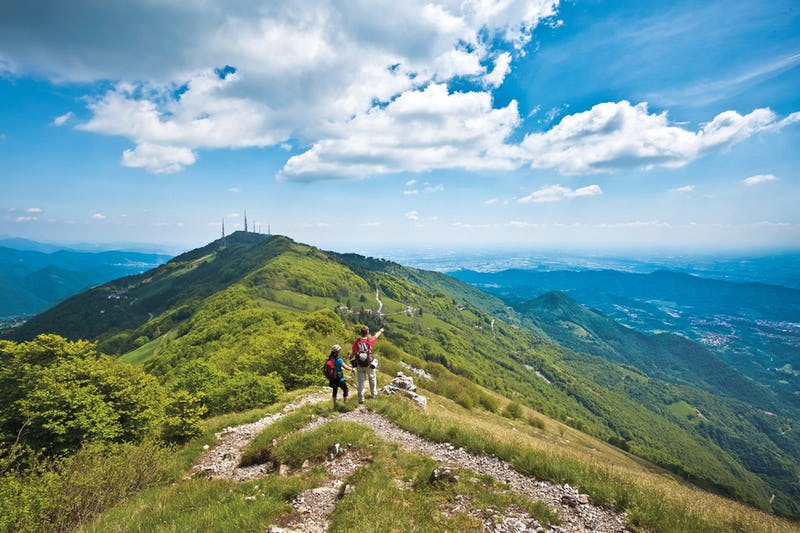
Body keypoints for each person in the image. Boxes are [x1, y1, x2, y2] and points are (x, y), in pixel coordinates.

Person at [350, 325, 384, 404]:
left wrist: (350, 357)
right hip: (368, 364)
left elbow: (352, 353)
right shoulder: (370, 340)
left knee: (360, 381)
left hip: (359, 365)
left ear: (361, 333)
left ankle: (361, 399)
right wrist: (381, 331)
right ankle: (373, 395)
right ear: (367, 332)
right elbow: (376, 336)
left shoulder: (357, 341)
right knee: (372, 378)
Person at [327, 344, 352, 408]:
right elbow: (345, 367)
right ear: (337, 351)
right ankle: (345, 404)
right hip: (339, 378)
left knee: (335, 390)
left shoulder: (330, 359)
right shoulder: (339, 359)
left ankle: (335, 405)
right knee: (345, 390)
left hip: (333, 378)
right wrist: (352, 369)